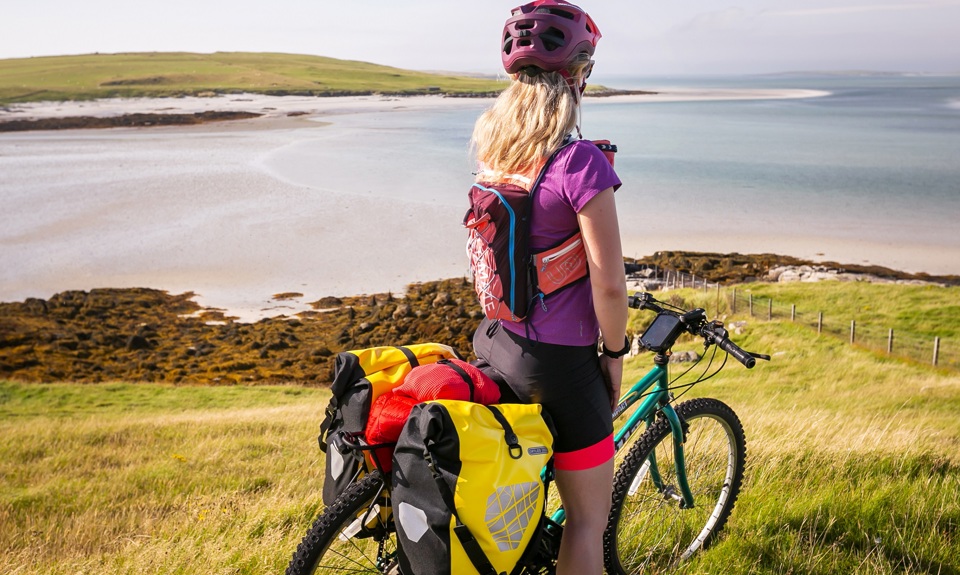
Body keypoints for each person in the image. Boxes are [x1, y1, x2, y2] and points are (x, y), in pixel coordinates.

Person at [470, 2, 628, 574]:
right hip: (559, 367)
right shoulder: (579, 162)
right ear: (578, 74)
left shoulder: (497, 150)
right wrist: (614, 356)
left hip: (494, 340)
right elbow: (609, 284)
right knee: (587, 521)